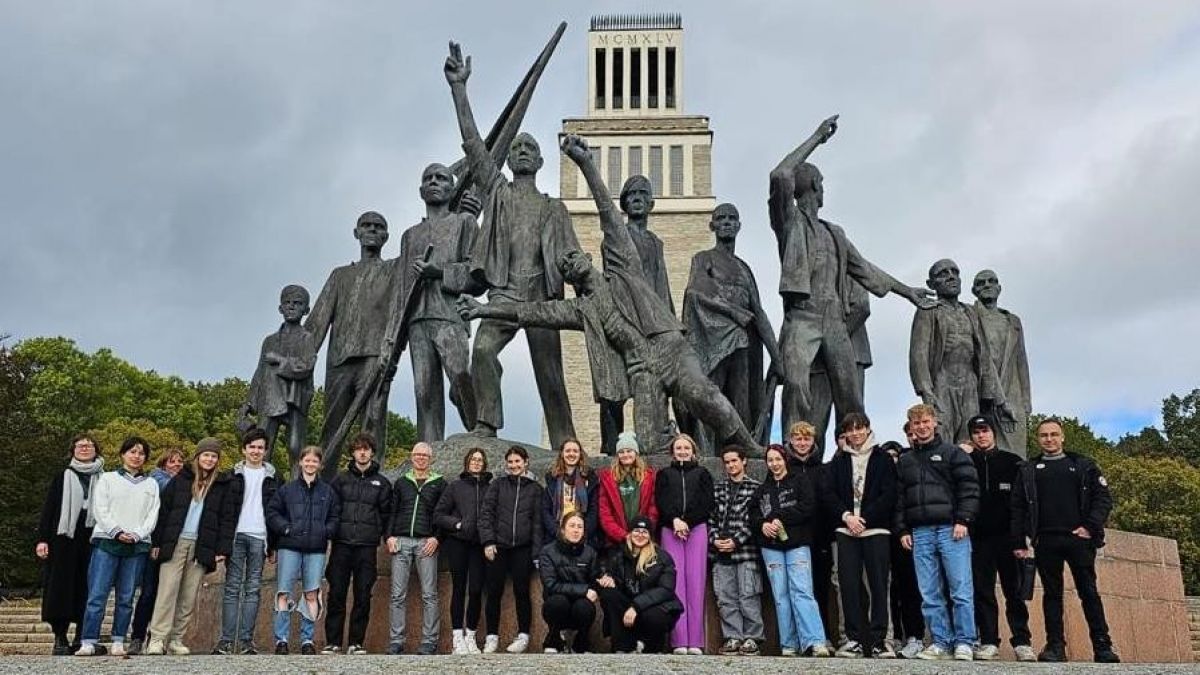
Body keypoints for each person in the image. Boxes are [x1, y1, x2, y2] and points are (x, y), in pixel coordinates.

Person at [459, 134, 764, 455]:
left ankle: (748, 446)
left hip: (670, 351)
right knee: (646, 443)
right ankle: (678, 443)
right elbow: (529, 312)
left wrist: (586, 163)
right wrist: (481, 310)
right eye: (566, 263)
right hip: (643, 370)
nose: (570, 262)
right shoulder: (583, 308)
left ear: (588, 260)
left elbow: (607, 212)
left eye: (573, 257)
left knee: (702, 395)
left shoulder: (624, 266)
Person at [445, 41, 579, 447]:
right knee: (482, 352)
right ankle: (487, 425)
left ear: (539, 162)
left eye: (530, 149)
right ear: (509, 161)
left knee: (551, 376)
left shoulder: (554, 208)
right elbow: (474, 146)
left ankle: (565, 443)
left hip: (540, 295)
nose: (521, 152)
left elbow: (572, 257)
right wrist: (459, 90)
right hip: (503, 291)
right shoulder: (497, 193)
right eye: (517, 148)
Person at [769, 115, 933, 438]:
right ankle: (793, 449)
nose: (824, 190)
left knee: (849, 394)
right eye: (823, 185)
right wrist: (817, 137)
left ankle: (856, 451)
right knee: (797, 384)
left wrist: (906, 292)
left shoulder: (836, 234)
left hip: (834, 321)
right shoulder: (790, 223)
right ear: (815, 186)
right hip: (803, 317)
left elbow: (866, 269)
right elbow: (780, 174)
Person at [1011, 418, 1119, 663]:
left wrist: (1090, 527)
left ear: (1062, 437)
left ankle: (1103, 646)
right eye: (1043, 435)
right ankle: (1055, 646)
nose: (1049, 439)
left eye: (1054, 434)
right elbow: (1017, 508)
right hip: (1046, 541)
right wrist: (1019, 541)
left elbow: (1102, 499)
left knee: (1089, 592)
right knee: (1052, 595)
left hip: (1078, 540)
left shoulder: (1083, 465)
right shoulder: (1028, 470)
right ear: (1037, 439)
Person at [306, 211, 402, 476]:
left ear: (386, 236)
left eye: (378, 227)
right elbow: (317, 322)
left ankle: (372, 482)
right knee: (332, 425)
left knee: (373, 422)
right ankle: (321, 482)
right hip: (341, 359)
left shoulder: (394, 269)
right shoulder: (340, 276)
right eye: (366, 226)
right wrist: (301, 361)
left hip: (375, 357)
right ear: (356, 232)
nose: (372, 230)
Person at [680, 203, 781, 453]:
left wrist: (777, 356)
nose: (726, 222)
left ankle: (740, 453)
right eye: (721, 218)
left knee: (742, 403)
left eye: (732, 218)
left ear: (739, 226)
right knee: (709, 400)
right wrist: (732, 312)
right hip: (713, 342)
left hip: (743, 343)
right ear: (712, 225)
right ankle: (705, 454)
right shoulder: (703, 258)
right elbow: (696, 292)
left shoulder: (744, 269)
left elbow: (758, 313)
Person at [398, 163, 480, 442]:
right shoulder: (410, 235)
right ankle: (429, 450)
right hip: (417, 318)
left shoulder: (464, 223)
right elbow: (401, 287)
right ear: (421, 190)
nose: (434, 182)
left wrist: (439, 272)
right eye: (428, 178)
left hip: (450, 315)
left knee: (459, 374)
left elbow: (478, 276)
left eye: (441, 178)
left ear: (452, 188)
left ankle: (480, 431)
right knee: (424, 391)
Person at [895, 404, 980, 661]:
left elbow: (969, 488)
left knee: (960, 589)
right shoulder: (906, 460)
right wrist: (902, 529)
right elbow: (900, 499)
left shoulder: (952, 453)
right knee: (929, 592)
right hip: (920, 532)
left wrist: (964, 519)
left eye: (925, 422)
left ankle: (965, 640)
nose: (921, 427)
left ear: (934, 423)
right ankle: (941, 641)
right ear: (911, 428)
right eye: (916, 424)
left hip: (950, 528)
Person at [600, 174, 673, 456]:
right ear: (624, 205)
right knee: (613, 385)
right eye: (631, 195)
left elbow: (661, 283)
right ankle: (610, 447)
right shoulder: (616, 236)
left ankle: (658, 436)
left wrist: (669, 323)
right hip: (622, 319)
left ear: (652, 203)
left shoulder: (655, 242)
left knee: (658, 382)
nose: (638, 199)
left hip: (653, 324)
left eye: (643, 194)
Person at [145, 438, 235, 656]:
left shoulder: (221, 485)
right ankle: (157, 638)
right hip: (176, 541)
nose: (209, 459)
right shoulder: (180, 480)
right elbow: (163, 512)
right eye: (206, 455)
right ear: (198, 456)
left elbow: (226, 519)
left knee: (188, 595)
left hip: (201, 544)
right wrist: (157, 541)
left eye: (213, 456)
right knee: (167, 591)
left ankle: (177, 638)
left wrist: (221, 549)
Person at [76, 436, 161, 656]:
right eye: (132, 452)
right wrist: (117, 531)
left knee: (126, 596)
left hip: (137, 544)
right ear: (123, 454)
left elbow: (152, 515)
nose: (136, 456)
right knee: (97, 594)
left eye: (141, 453)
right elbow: (100, 509)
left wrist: (137, 534)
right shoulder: (108, 479)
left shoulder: (151, 483)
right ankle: (88, 639)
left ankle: (118, 639)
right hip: (107, 541)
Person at [909, 259, 1008, 444]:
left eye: (954, 272)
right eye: (943, 273)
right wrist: (926, 391)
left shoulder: (970, 312)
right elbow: (918, 354)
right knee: (942, 434)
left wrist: (997, 398)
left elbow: (984, 357)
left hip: (970, 383)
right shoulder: (928, 311)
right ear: (931, 284)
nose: (951, 276)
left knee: (970, 436)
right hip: (942, 382)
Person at [824, 413, 897, 658]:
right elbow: (829, 492)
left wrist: (865, 518)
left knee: (878, 586)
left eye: (859, 429)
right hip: (846, 529)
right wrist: (847, 517)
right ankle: (853, 639)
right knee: (849, 586)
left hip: (875, 529)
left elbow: (889, 494)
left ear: (867, 429)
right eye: (850, 430)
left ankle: (879, 640)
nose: (855, 434)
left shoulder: (883, 458)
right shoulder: (839, 460)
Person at [962, 415, 1034, 661]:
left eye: (985, 430)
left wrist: (1021, 538)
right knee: (982, 592)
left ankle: (1022, 641)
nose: (981, 435)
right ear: (971, 436)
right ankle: (989, 640)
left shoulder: (1012, 462)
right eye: (976, 432)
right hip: (978, 539)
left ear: (993, 433)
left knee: (1013, 591)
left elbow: (1023, 505)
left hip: (1008, 538)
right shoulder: (966, 462)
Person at [753, 444, 829, 657]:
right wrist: (762, 525)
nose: (774, 464)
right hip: (771, 547)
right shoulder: (762, 490)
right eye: (770, 460)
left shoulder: (799, 481)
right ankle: (789, 644)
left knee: (802, 591)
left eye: (777, 459)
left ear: (785, 460)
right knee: (781, 595)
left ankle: (814, 641)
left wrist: (780, 518)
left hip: (797, 544)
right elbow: (753, 515)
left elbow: (807, 507)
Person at [267, 446, 340, 655]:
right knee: (283, 592)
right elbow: (273, 512)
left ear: (320, 465)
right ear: (300, 462)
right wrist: (286, 528)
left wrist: (326, 532)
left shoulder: (327, 491)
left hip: (316, 548)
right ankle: (281, 639)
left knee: (312, 593)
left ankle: (307, 639)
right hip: (289, 546)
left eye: (314, 461)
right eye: (306, 460)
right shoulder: (287, 489)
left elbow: (335, 517)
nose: (310, 464)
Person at [323, 432, 391, 655]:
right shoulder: (340, 479)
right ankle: (333, 641)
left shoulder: (381, 482)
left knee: (363, 595)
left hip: (366, 546)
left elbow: (386, 514)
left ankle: (356, 642)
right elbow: (331, 510)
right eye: (358, 449)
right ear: (353, 453)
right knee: (337, 593)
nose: (362, 452)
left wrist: (383, 535)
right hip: (342, 544)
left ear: (372, 452)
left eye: (367, 449)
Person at [37, 434, 105, 655]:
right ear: (73, 450)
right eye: (80, 445)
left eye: (89, 445)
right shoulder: (62, 476)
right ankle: (60, 636)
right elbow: (49, 509)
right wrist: (42, 539)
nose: (85, 448)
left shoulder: (105, 477)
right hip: (64, 537)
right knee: (60, 586)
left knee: (88, 585)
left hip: (93, 535)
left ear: (96, 450)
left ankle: (82, 636)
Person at [240, 284, 317, 471]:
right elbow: (259, 373)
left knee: (295, 447)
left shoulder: (306, 338)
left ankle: (299, 488)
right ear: (280, 308)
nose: (291, 307)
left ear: (306, 310)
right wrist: (249, 403)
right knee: (262, 445)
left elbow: (306, 366)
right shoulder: (270, 341)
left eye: (297, 303)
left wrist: (280, 360)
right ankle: (258, 484)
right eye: (287, 303)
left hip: (296, 398)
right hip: (270, 396)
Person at [216, 427, 279, 655]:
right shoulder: (231, 476)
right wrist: (222, 544)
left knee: (253, 590)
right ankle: (225, 640)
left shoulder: (272, 477)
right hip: (236, 537)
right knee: (232, 588)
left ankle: (245, 641)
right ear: (244, 449)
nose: (255, 451)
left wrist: (273, 545)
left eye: (260, 447)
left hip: (260, 538)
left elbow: (275, 513)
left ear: (265, 451)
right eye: (251, 447)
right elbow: (224, 512)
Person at [478, 445, 544, 654]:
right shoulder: (497, 485)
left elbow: (537, 524)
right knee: (494, 591)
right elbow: (486, 514)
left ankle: (524, 635)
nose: (514, 465)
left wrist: (536, 552)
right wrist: (488, 542)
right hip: (498, 546)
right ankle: (491, 637)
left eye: (518, 461)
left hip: (522, 549)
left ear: (526, 463)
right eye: (511, 462)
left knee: (522, 591)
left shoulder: (535, 489)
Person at [655, 433, 714, 654]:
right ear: (673, 451)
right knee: (675, 583)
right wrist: (675, 520)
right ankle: (679, 640)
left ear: (693, 451)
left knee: (696, 583)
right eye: (678, 448)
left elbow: (707, 502)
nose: (682, 451)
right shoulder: (664, 474)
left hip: (696, 529)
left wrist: (687, 521)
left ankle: (696, 641)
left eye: (686, 448)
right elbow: (661, 501)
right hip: (671, 530)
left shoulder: (703, 474)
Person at [385, 441, 445, 655]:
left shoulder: (439, 483)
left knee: (429, 594)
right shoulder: (402, 482)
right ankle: (396, 640)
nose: (420, 458)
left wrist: (436, 538)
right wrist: (389, 536)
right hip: (400, 541)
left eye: (425, 455)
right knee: (396, 594)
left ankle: (429, 641)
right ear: (412, 457)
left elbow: (441, 514)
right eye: (417, 454)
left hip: (426, 542)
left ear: (431, 459)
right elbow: (392, 511)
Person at [434, 447, 491, 654]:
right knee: (458, 588)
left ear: (484, 464)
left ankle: (471, 635)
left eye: (480, 459)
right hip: (458, 543)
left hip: (479, 544)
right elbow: (439, 514)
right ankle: (457, 635)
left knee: (475, 589)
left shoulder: (489, 488)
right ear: (467, 462)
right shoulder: (455, 487)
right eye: (473, 459)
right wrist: (458, 524)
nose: (476, 462)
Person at [597, 515, 682, 653]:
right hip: (629, 607)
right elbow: (610, 575)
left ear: (650, 536)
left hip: (653, 607)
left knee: (654, 616)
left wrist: (636, 606)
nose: (640, 535)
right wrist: (608, 579)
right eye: (636, 531)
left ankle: (652, 647)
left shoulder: (662, 557)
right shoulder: (618, 555)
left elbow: (666, 589)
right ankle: (623, 645)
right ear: (630, 533)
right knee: (609, 594)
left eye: (644, 532)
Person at [784, 422, 836, 643]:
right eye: (798, 439)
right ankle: (799, 638)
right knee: (796, 589)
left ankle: (822, 636)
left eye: (806, 439)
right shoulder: (786, 469)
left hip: (820, 536)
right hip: (794, 537)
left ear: (813, 442)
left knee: (820, 587)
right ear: (791, 442)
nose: (802, 443)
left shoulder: (823, 469)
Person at [709, 445, 764, 656]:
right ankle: (733, 636)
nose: (731, 465)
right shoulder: (719, 488)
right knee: (725, 597)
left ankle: (752, 637)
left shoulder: (755, 488)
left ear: (744, 461)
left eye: (735, 461)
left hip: (746, 552)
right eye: (727, 462)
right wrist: (715, 539)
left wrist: (736, 540)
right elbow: (711, 518)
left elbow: (756, 521)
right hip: (721, 553)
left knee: (748, 595)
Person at [129, 447, 185, 654]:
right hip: (155, 542)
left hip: (173, 543)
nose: (177, 465)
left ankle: (156, 637)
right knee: (149, 592)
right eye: (172, 462)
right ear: (163, 464)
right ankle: (138, 636)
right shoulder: (157, 481)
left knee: (166, 593)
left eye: (180, 462)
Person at [971, 269, 1031, 455]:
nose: (987, 285)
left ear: (999, 288)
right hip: (981, 394)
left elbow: (1021, 361)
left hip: (1012, 392)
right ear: (974, 290)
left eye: (992, 281)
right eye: (981, 283)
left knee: (1015, 454)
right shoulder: (970, 315)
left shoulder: (1012, 321)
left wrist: (1026, 399)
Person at [881, 435, 925, 658]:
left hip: (904, 537)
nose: (892, 461)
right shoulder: (877, 477)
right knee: (887, 590)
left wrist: (904, 530)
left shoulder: (907, 477)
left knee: (908, 589)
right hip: (881, 538)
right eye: (887, 457)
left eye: (895, 457)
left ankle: (914, 636)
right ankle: (894, 636)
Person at [539, 511, 601, 653]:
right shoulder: (548, 551)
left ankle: (581, 643)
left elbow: (594, 579)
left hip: (580, 605)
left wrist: (602, 581)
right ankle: (554, 640)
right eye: (572, 525)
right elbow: (551, 584)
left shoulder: (590, 552)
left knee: (586, 607)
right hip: (557, 604)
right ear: (562, 529)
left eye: (580, 527)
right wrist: (584, 590)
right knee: (558, 603)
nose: (576, 530)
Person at [597, 432, 658, 549]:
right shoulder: (608, 479)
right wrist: (623, 535)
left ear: (636, 453)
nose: (625, 455)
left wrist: (643, 532)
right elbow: (605, 513)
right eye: (621, 452)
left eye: (629, 451)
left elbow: (653, 507)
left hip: (643, 537)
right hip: (617, 540)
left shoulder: (649, 477)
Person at [542, 438, 600, 549]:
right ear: (562, 454)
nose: (571, 454)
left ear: (580, 454)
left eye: (575, 451)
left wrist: (583, 532)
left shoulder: (591, 479)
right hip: (556, 537)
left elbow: (594, 509)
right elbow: (546, 510)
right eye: (568, 451)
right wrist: (558, 532)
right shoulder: (552, 479)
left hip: (583, 538)